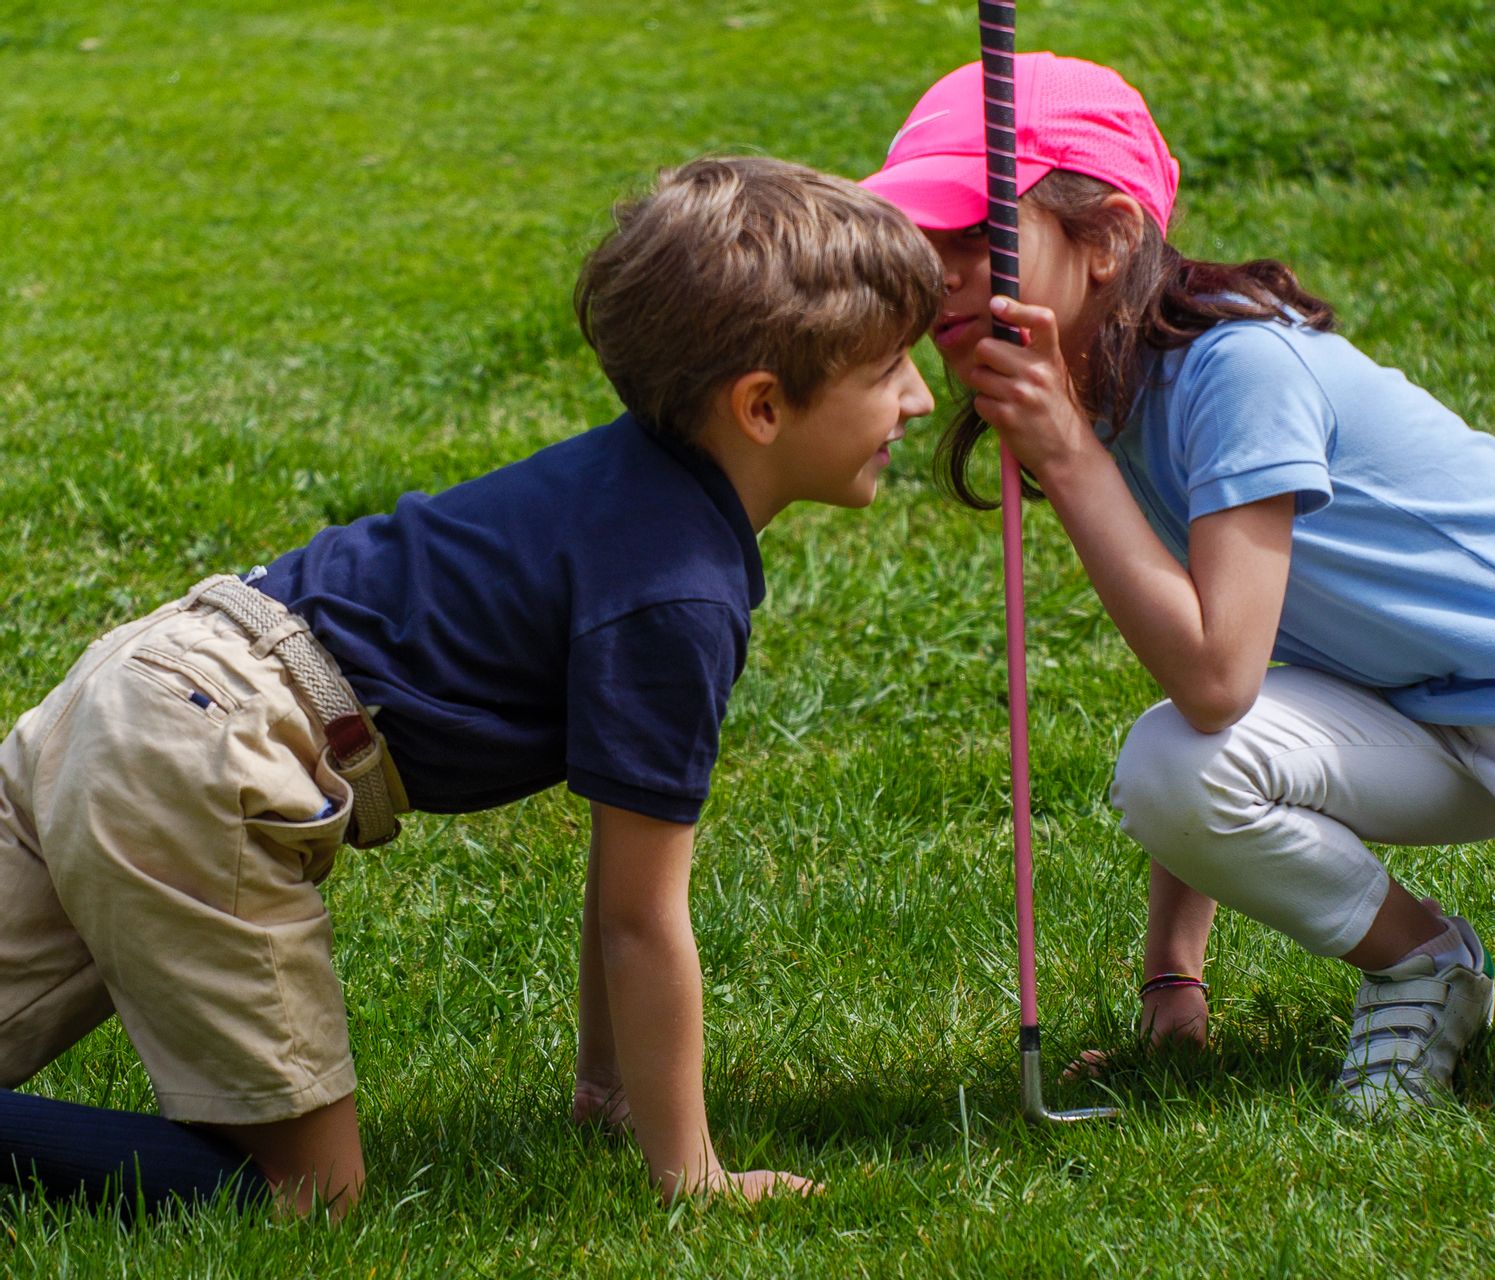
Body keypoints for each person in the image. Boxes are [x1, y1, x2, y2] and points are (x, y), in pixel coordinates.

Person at [0, 155, 940, 1216]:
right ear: (762, 406)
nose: (920, 394)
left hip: (144, 679)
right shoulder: (677, 595)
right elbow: (642, 914)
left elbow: (619, 862)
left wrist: (608, 1086)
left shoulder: (635, 484)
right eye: (893, 366)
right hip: (209, 758)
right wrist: (691, 1172)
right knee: (310, 1196)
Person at [860, 54, 1495, 1116]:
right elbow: (1213, 700)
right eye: (923, 240)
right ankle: (1426, 962)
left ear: (1105, 237)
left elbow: (1217, 674)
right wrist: (1171, 977)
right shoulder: (1103, 397)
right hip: (1408, 713)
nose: (940, 270)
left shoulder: (1235, 371)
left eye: (975, 233)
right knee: (1166, 765)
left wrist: (1067, 456)